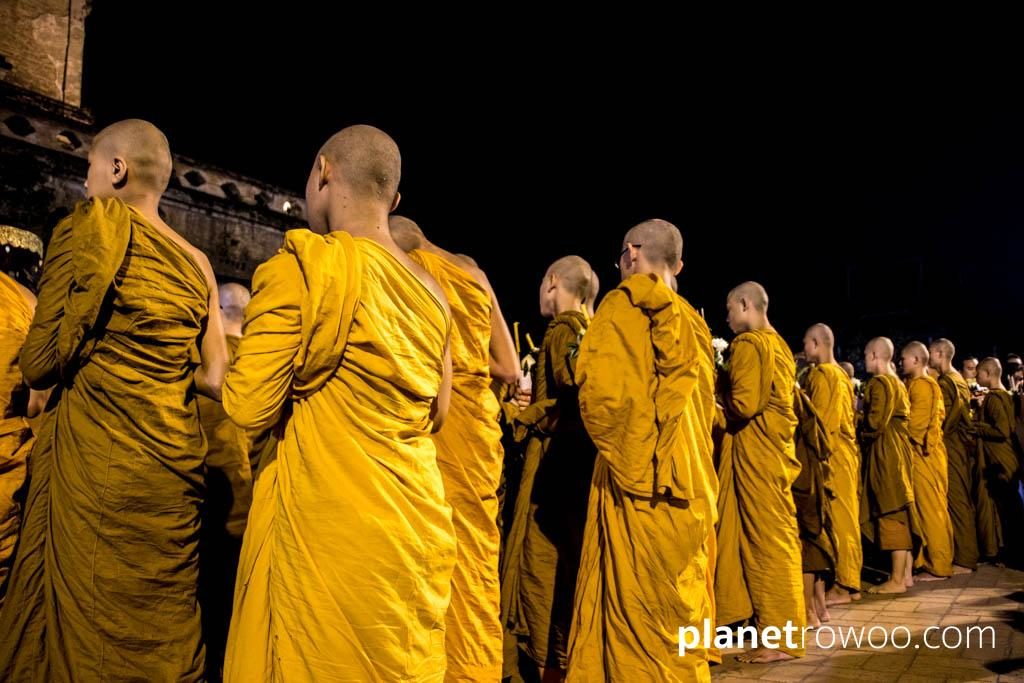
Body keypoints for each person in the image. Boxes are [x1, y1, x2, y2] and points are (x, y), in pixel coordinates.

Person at [222, 126, 457, 681]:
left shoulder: (303, 268)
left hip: (327, 538)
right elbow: (438, 414)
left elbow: (247, 407)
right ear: (393, 201)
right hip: (409, 529)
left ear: (323, 171)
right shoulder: (433, 293)